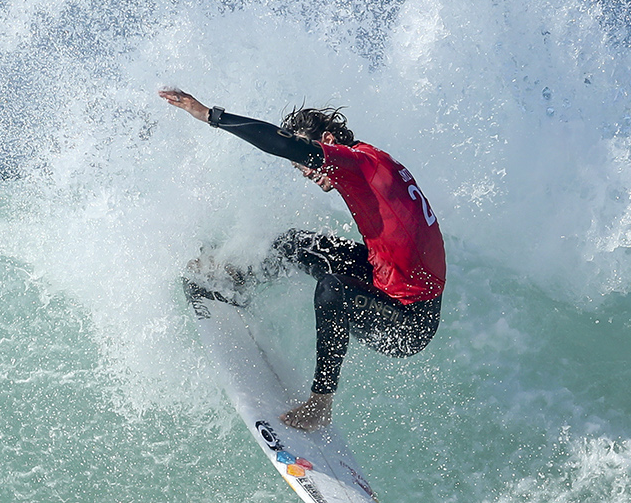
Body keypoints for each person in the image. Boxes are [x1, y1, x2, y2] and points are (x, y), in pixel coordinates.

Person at [159, 87, 445, 430]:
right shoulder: (372, 161)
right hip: (385, 281)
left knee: (332, 288)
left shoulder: (356, 162)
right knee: (296, 243)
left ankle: (320, 404)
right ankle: (233, 277)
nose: (308, 173)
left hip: (408, 324)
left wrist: (209, 114)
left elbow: (280, 143)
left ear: (326, 140)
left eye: (307, 162)